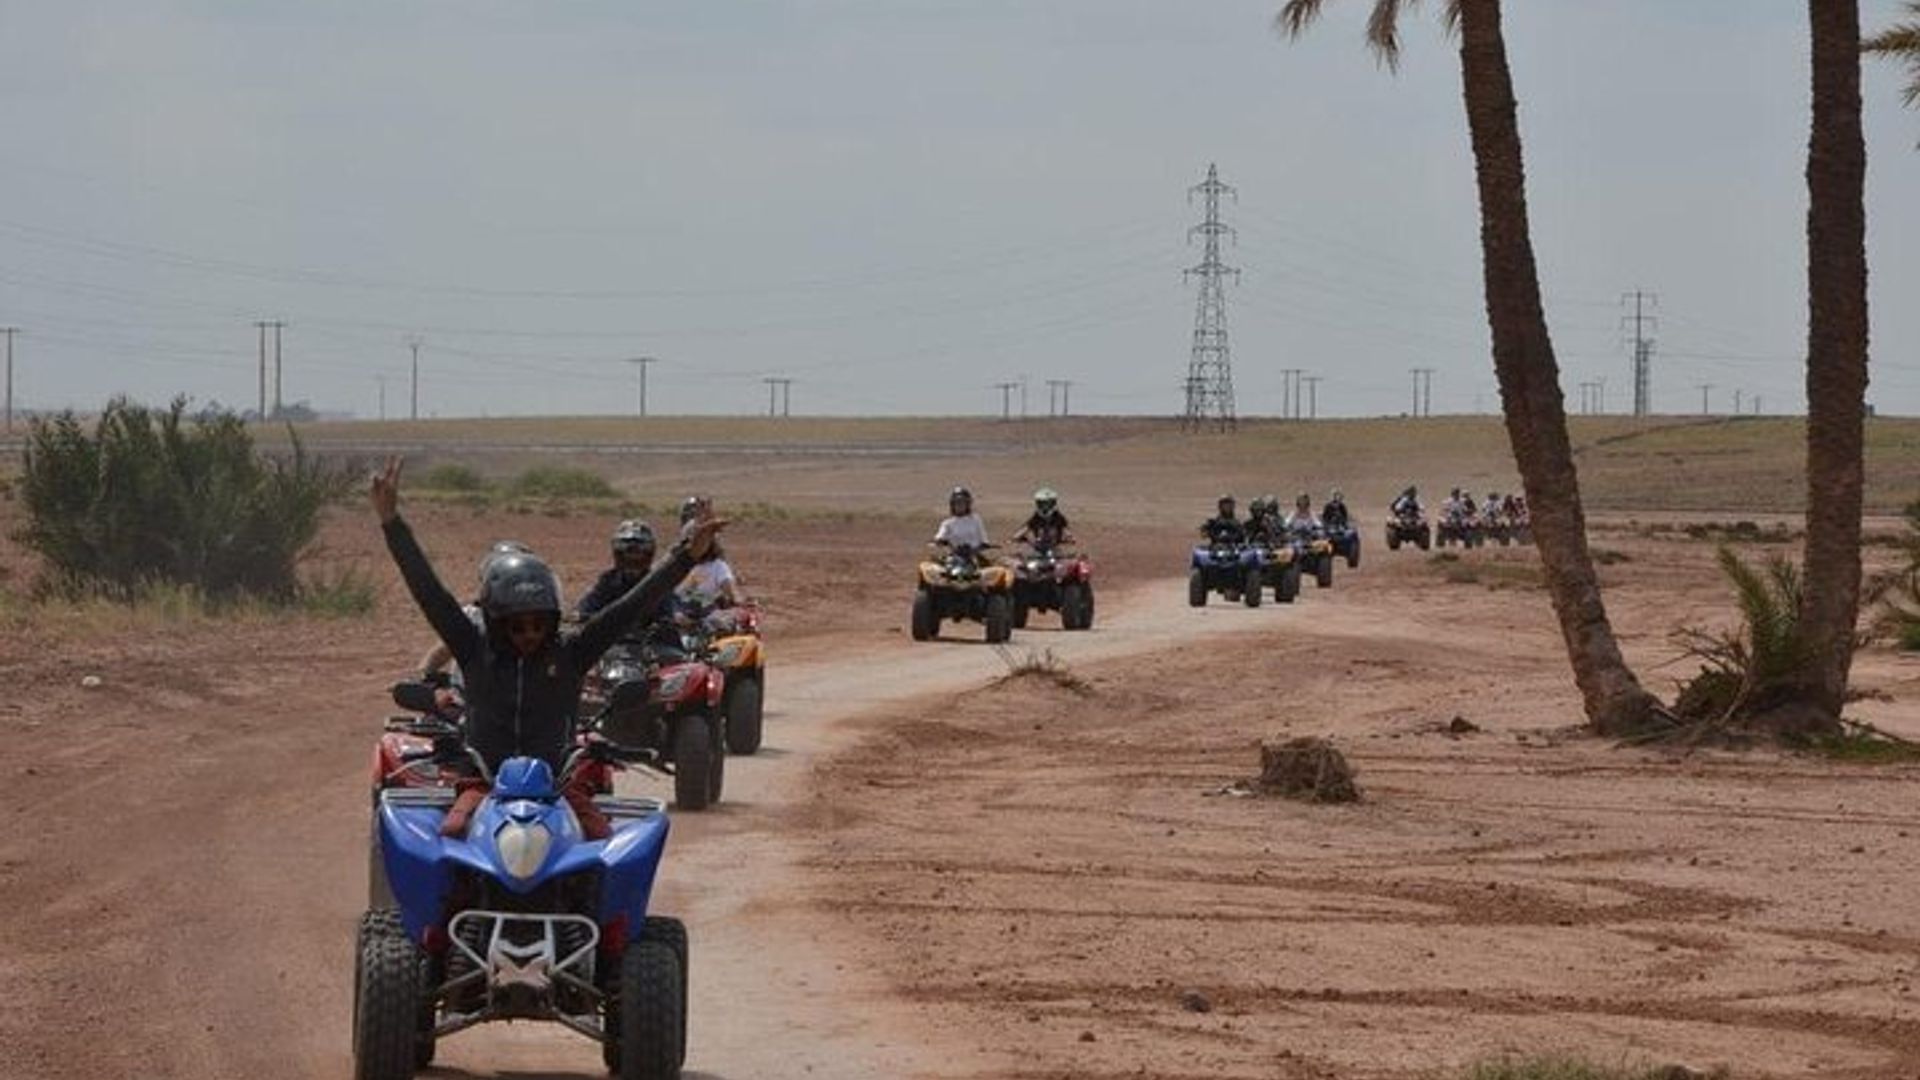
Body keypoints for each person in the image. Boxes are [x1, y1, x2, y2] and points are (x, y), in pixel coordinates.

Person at [371, 458, 724, 840]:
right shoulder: (473, 649)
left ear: (552, 620)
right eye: (517, 625)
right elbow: (428, 590)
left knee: (607, 847)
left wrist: (685, 557)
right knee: (450, 833)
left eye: (539, 624)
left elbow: (634, 603)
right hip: (484, 786)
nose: (529, 634)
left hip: (556, 790)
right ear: (495, 620)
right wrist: (392, 524)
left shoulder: (572, 652)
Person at [933, 486, 989, 554]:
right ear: (952, 505)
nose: (960, 505)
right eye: (957, 502)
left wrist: (980, 547)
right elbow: (940, 536)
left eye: (963, 502)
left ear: (968, 504)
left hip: (974, 556)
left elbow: (984, 539)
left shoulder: (976, 519)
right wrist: (940, 541)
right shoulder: (947, 523)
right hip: (955, 556)